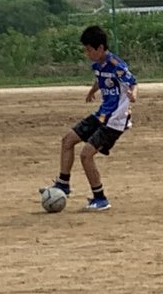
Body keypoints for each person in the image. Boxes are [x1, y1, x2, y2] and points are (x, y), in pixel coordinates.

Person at [44, 24, 137, 212]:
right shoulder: (97, 64)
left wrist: (133, 95)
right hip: (102, 115)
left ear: (100, 48)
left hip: (115, 121)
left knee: (86, 155)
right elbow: (100, 79)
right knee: (68, 140)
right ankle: (63, 184)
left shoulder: (116, 65)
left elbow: (133, 82)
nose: (87, 54)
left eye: (89, 50)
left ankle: (100, 198)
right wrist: (92, 90)